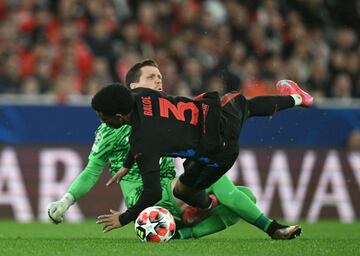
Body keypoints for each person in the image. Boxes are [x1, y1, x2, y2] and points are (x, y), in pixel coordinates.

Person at [48, 60, 303, 240]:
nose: (159, 81)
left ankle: (186, 229)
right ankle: (269, 228)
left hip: (173, 192)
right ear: (133, 87)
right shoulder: (111, 129)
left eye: (160, 77)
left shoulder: (161, 111)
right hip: (149, 204)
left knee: (245, 195)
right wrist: (66, 200)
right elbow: (93, 170)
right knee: (223, 182)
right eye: (151, 77)